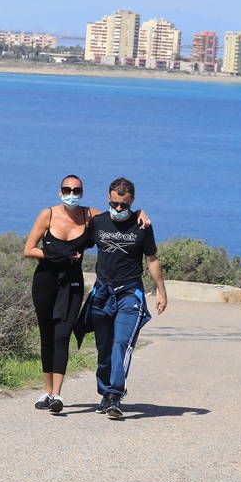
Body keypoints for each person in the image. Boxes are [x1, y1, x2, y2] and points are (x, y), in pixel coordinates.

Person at [23, 175, 150, 414]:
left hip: (72, 283)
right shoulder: (47, 215)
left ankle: (58, 395)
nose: (72, 193)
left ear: (82, 192)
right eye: (67, 189)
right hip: (45, 281)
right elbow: (28, 249)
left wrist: (141, 213)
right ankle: (48, 392)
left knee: (63, 335)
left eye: (76, 189)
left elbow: (117, 215)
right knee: (47, 336)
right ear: (60, 190)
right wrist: (54, 256)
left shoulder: (89, 215)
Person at [81, 177, 167, 420]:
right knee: (104, 346)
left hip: (130, 293)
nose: (119, 209)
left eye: (124, 205)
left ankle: (115, 395)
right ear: (108, 198)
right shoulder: (98, 223)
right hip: (102, 293)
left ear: (132, 202)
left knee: (121, 343)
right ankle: (105, 392)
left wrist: (161, 290)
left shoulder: (142, 226)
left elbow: (152, 259)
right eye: (115, 204)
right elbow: (79, 243)